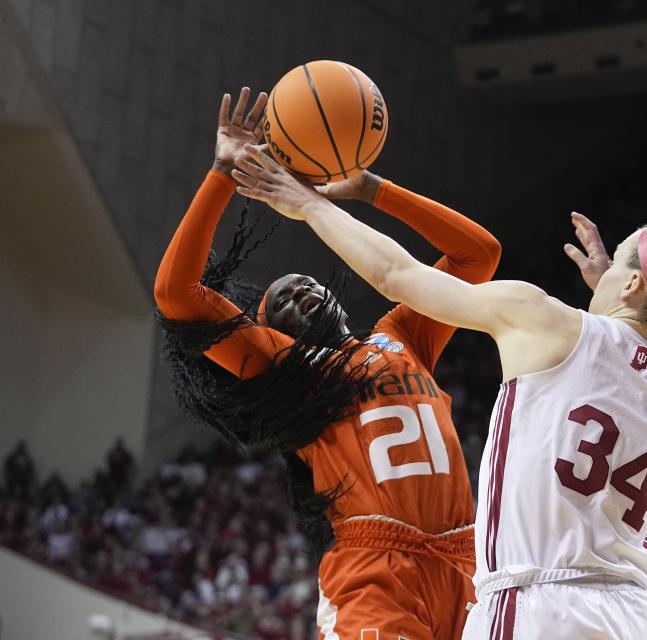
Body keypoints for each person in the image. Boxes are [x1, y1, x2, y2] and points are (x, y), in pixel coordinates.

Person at [232, 143, 647, 639]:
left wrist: (307, 204)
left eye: (616, 265)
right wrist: (613, 292)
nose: (602, 269)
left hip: (537, 605)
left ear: (635, 289)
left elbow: (397, 274)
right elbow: (628, 363)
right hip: (635, 617)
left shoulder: (543, 320)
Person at [154, 88, 501, 639]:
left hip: (468, 565)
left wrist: (371, 189)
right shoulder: (286, 369)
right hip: (374, 570)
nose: (303, 292)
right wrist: (222, 172)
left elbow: (477, 255)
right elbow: (177, 292)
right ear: (270, 333)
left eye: (307, 283)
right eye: (284, 300)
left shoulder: (403, 334)